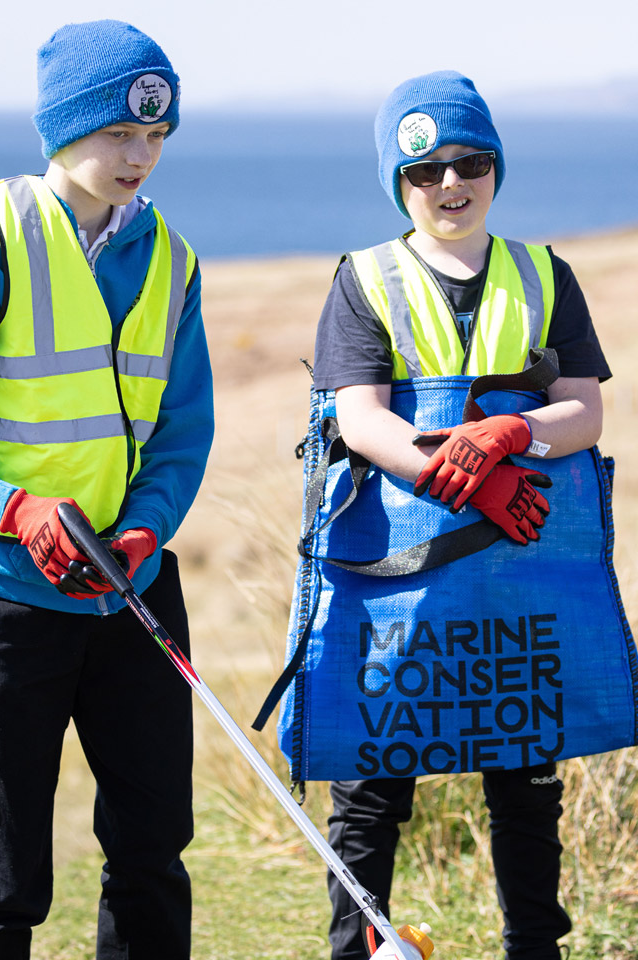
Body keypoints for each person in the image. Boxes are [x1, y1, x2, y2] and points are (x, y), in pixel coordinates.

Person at [0, 19, 213, 960]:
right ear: (63, 129)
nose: (139, 157)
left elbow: (183, 431)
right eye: (118, 133)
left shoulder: (172, 261)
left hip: (133, 588)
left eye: (155, 136)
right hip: (9, 601)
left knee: (153, 852)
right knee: (2, 881)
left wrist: (147, 529)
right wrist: (16, 509)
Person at [311, 72, 611, 960]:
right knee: (373, 783)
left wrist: (516, 430)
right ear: (397, 183)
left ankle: (535, 948)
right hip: (399, 574)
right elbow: (360, 421)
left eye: (472, 162)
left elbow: (585, 410)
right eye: (424, 170)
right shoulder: (364, 279)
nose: (450, 184)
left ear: (496, 169)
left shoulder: (545, 273)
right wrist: (469, 480)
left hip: (519, 573)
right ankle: (357, 949)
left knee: (526, 778)